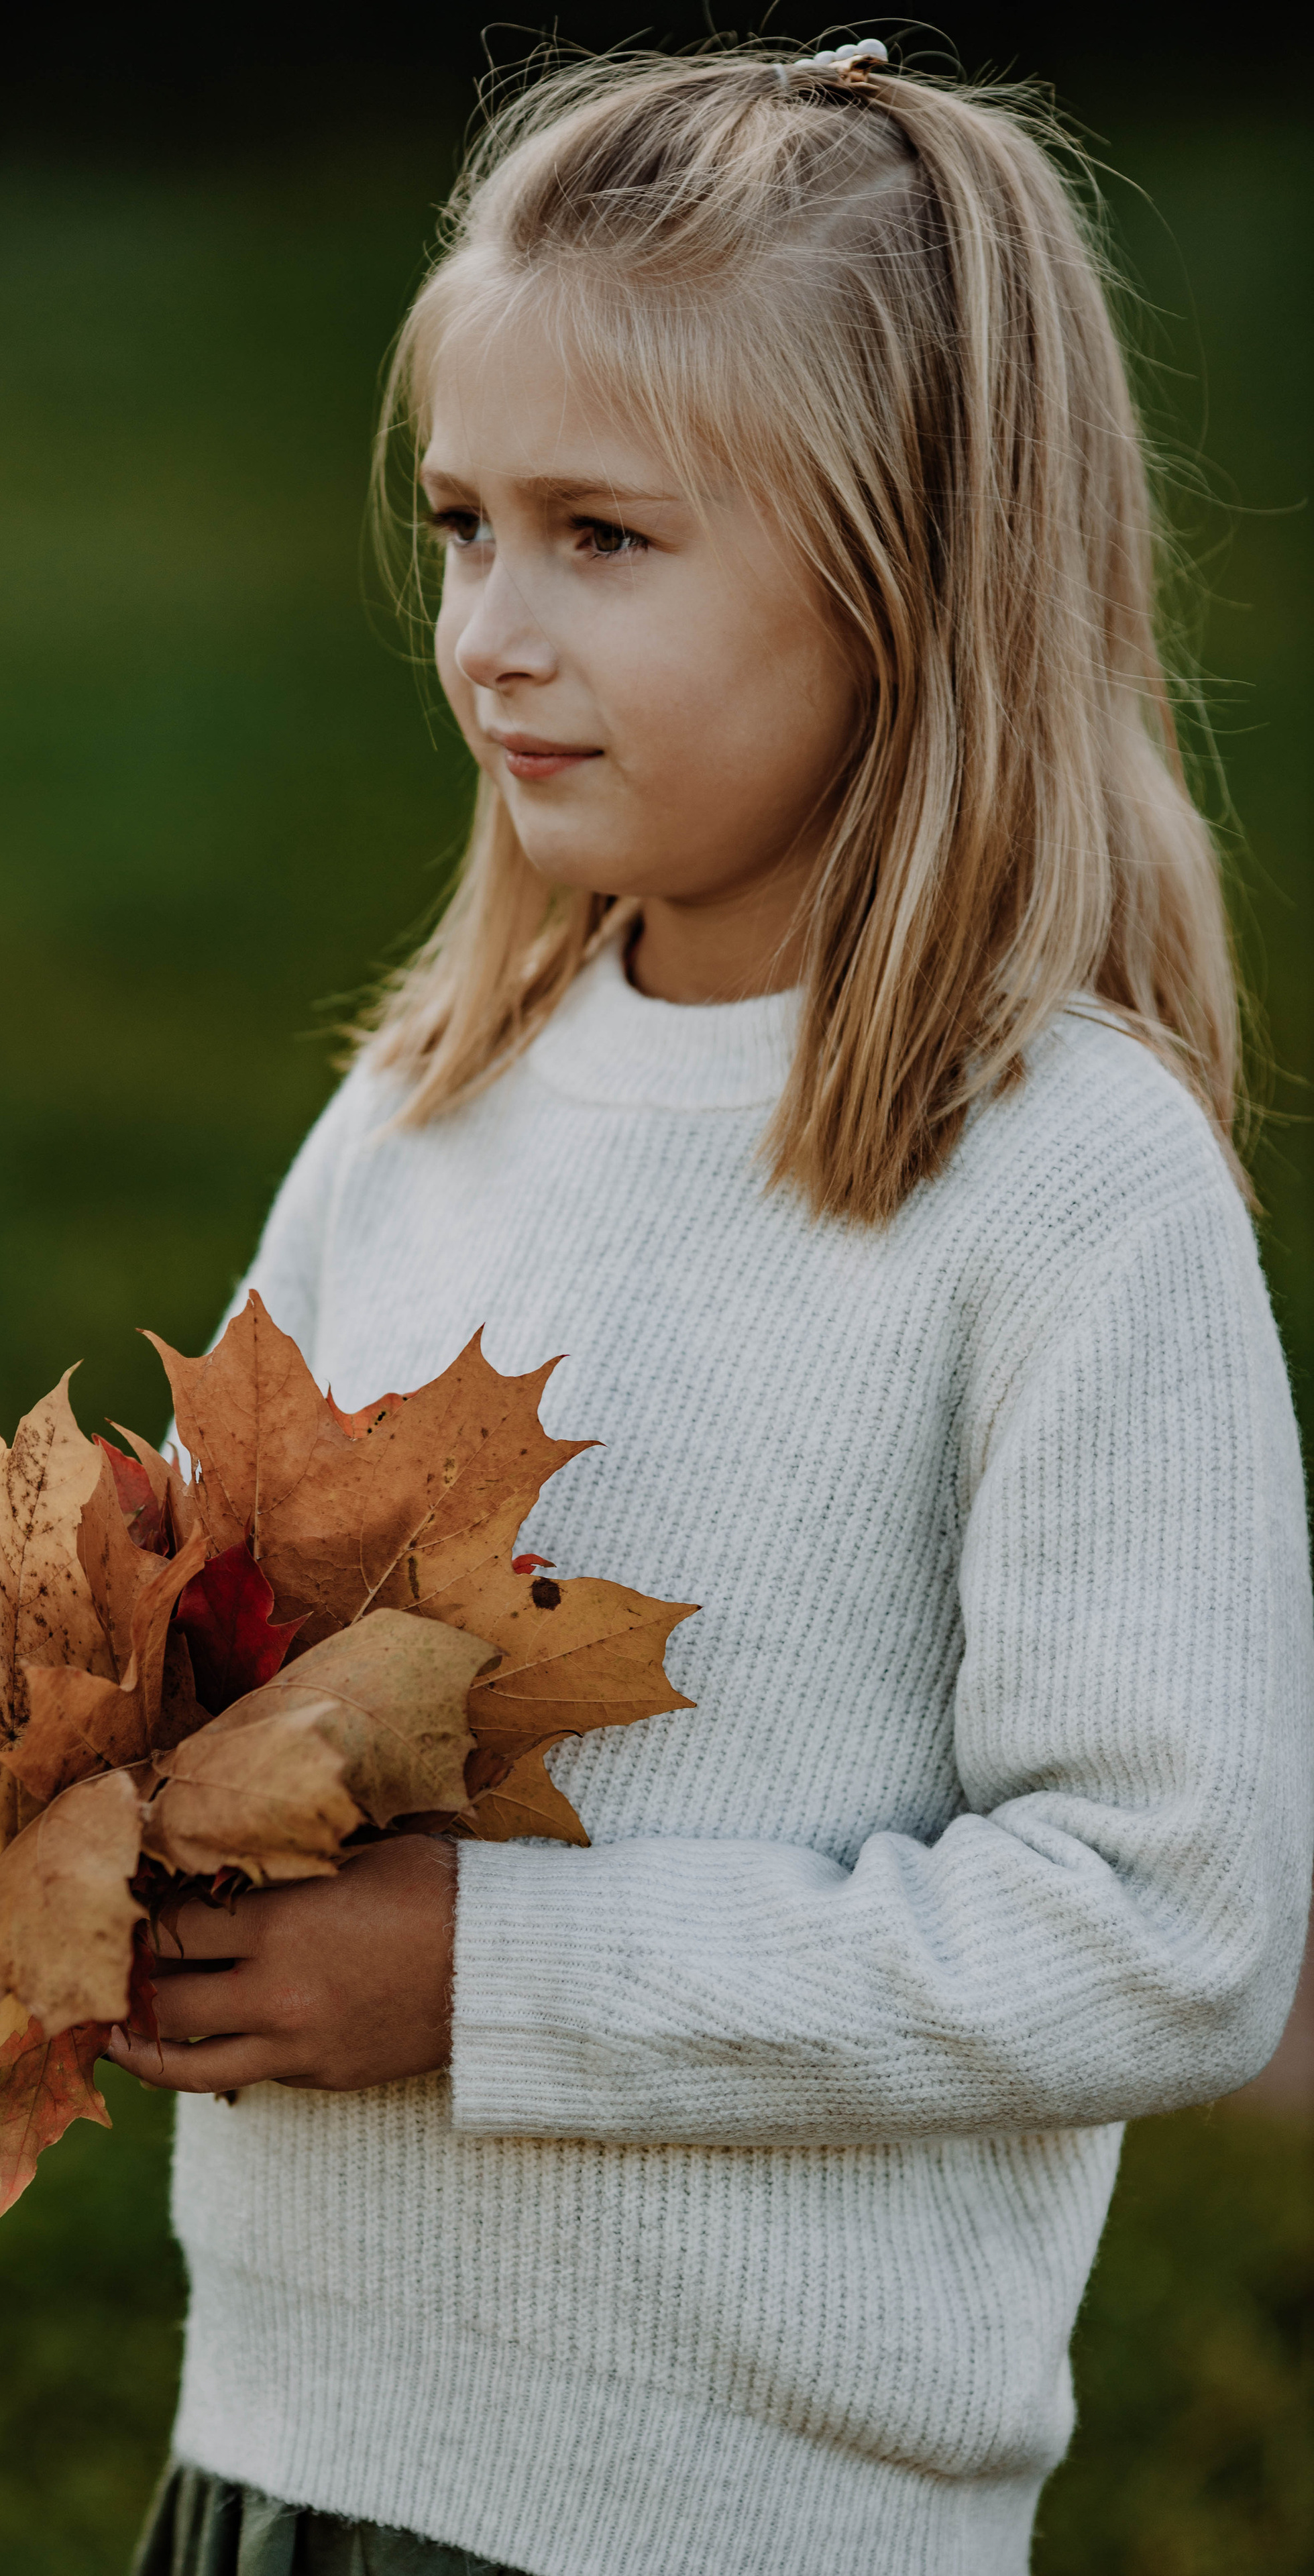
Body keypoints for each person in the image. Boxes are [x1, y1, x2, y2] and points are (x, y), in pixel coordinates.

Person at [106, 44, 1314, 2576]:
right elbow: (212, 1676)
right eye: (460, 527)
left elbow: (1174, 1926)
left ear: (908, 570)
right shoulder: (428, 1103)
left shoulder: (1064, 1180)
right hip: (285, 2459)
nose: (492, 635)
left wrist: (493, 1986)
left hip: (729, 2521)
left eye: (602, 539)